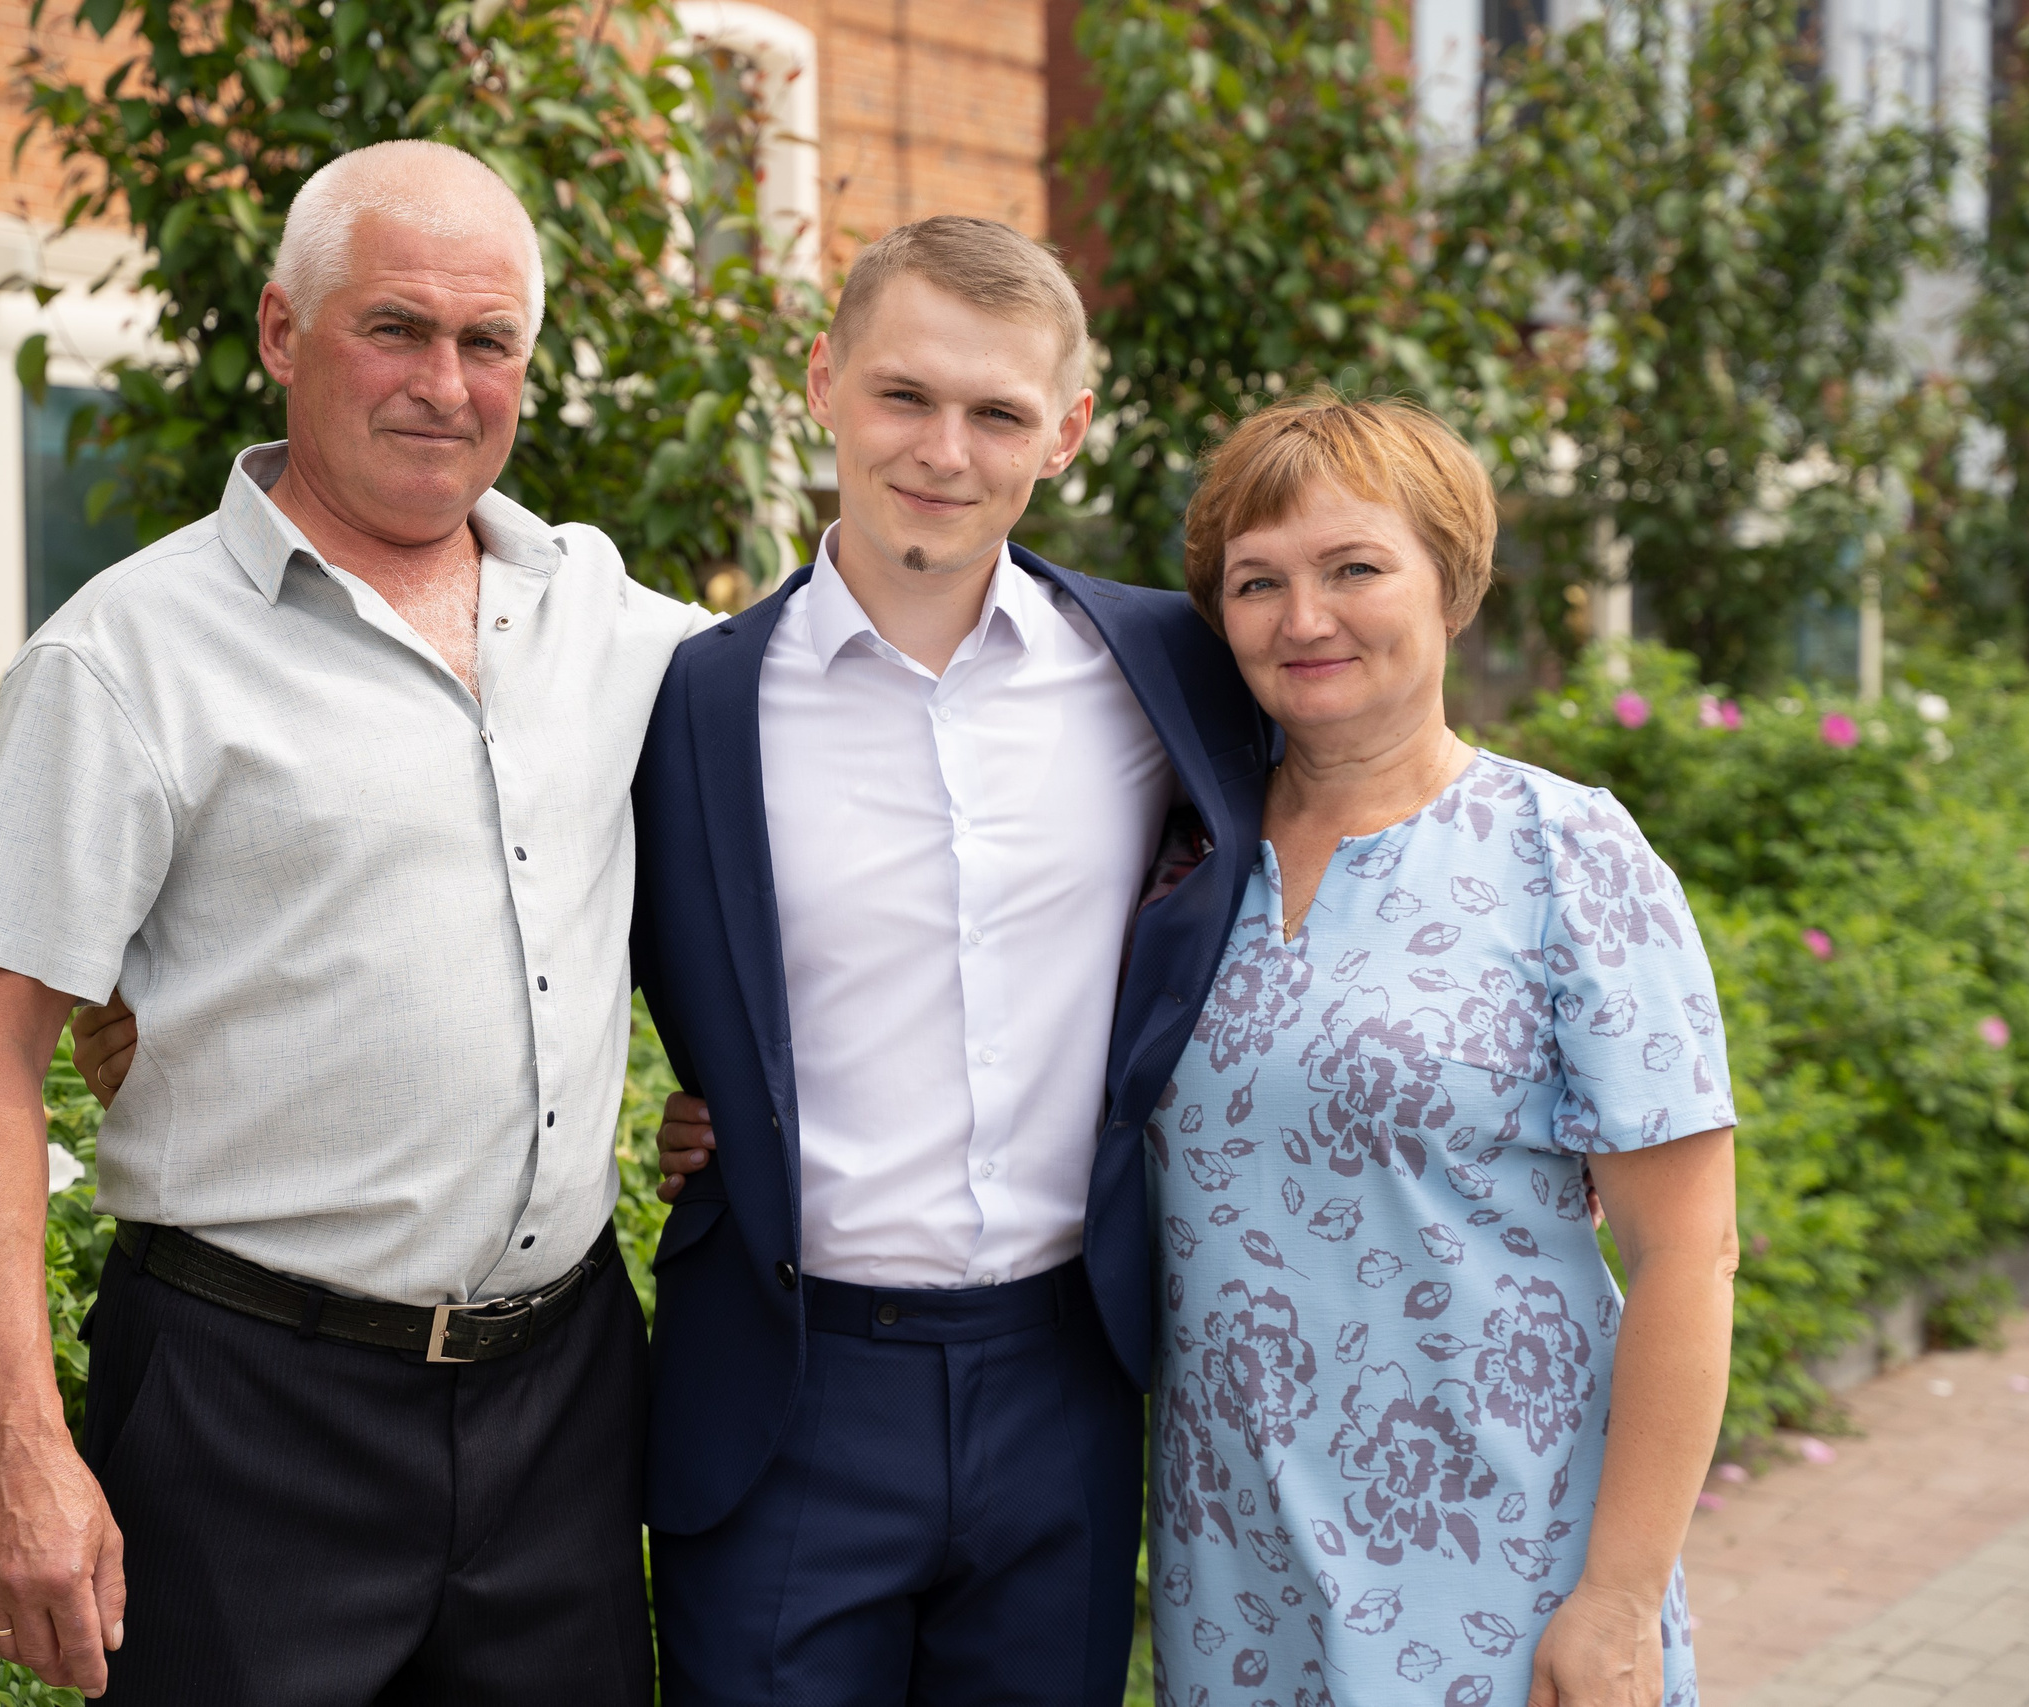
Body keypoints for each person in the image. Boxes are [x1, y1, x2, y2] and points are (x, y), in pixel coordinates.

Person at [0, 140, 715, 1705]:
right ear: (284, 332)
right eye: (395, 328)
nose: (445, 381)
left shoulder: (610, 621)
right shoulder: (128, 656)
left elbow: (854, 740)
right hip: (244, 1408)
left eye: (489, 342)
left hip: (561, 1401)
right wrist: (21, 1451)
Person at [628, 215, 1268, 1707]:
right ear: (824, 383)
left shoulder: (1166, 670)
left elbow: (1345, 838)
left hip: (1067, 1374)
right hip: (790, 1387)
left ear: (1068, 434)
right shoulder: (686, 702)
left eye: (997, 413)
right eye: (905, 395)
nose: (944, 449)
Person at [1143, 392, 1738, 1707]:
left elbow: (1690, 1251)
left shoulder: (1564, 853)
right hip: (1235, 1574)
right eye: (1259, 583)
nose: (1305, 619)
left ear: (1452, 584)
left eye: (1354, 567)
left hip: (1503, 1566)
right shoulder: (1181, 867)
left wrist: (1621, 1600)